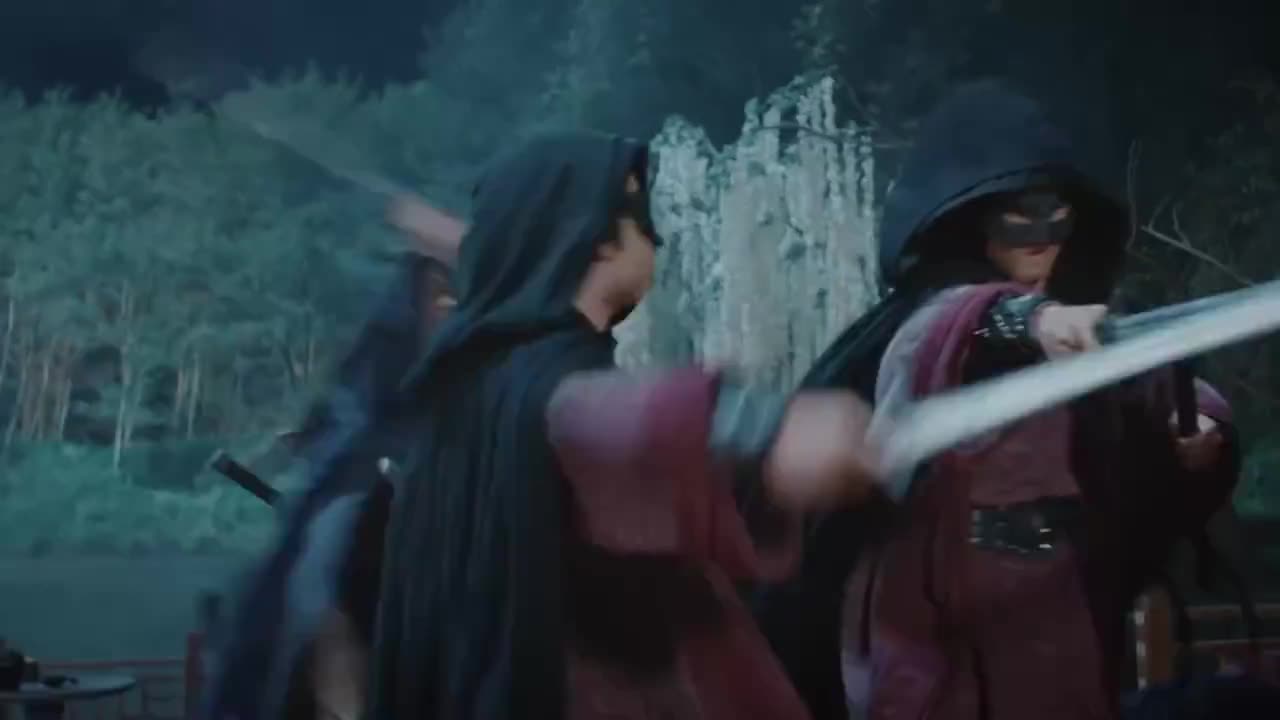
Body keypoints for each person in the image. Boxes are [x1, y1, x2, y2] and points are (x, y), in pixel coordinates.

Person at [752, 81, 1242, 720]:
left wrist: (1200, 426)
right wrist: (1031, 321)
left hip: (1057, 600)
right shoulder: (931, 324)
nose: (1041, 236)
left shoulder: (1090, 328)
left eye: (1056, 216)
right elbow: (949, 330)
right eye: (1018, 215)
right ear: (974, 221)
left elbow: (1158, 389)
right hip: (937, 607)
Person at [366, 130, 883, 720]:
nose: (655, 237)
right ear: (597, 240)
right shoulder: (539, 392)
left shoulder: (470, 392)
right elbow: (610, 422)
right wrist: (764, 430)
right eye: (637, 213)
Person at [201, 243, 458, 720]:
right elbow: (330, 629)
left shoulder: (439, 425)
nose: (448, 310)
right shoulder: (357, 460)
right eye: (439, 297)